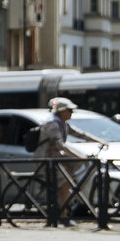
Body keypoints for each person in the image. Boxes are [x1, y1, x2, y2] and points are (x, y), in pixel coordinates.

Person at [34, 97, 84, 226]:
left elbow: (80, 134)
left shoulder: (63, 124)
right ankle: (62, 216)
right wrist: (79, 156)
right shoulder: (53, 124)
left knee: (67, 182)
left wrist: (101, 141)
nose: (72, 113)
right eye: (70, 110)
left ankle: (62, 209)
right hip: (46, 160)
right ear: (62, 111)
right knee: (64, 183)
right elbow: (60, 145)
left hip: (55, 159)